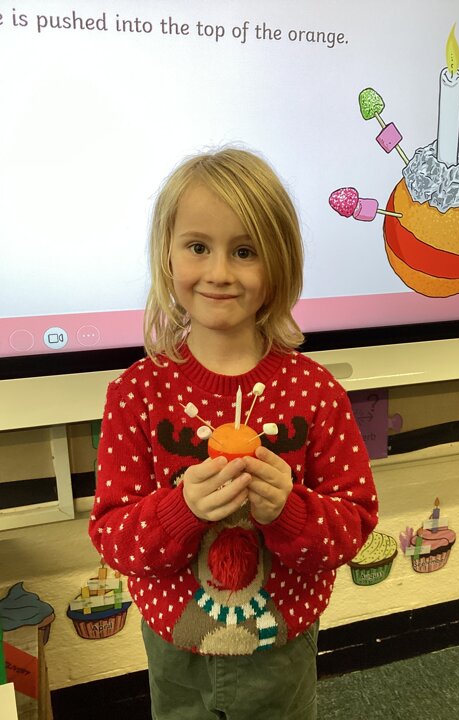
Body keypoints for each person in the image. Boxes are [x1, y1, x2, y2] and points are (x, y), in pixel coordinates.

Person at [89, 147, 378, 720]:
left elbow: (355, 525)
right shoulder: (137, 393)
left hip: (282, 649)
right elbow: (112, 536)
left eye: (244, 251)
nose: (219, 272)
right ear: (167, 256)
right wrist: (181, 510)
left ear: (279, 264)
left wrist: (289, 511)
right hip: (176, 650)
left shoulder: (315, 391)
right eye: (198, 247)